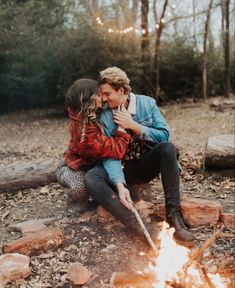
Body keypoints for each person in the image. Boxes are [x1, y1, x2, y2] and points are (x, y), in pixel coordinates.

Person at [84, 67, 195, 245]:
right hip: (119, 170)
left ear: (121, 90)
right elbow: (109, 153)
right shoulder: (104, 115)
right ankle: (136, 225)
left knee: (168, 148)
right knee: (91, 176)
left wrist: (133, 125)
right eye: (101, 95)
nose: (103, 99)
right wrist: (119, 184)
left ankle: (174, 216)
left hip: (143, 165)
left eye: (107, 94)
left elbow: (164, 135)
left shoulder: (147, 104)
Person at [56, 78, 132, 215]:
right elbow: (114, 150)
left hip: (91, 163)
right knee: (80, 187)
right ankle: (75, 211)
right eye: (98, 94)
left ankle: (96, 198)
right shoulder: (84, 133)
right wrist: (121, 128)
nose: (103, 98)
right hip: (72, 167)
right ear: (87, 99)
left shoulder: (88, 113)